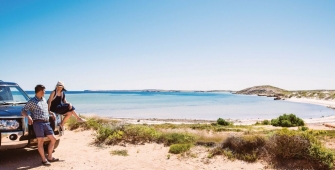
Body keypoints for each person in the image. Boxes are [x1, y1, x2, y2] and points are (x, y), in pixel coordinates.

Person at [21, 84, 59, 166]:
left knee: (53, 139)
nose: (45, 92)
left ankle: (50, 157)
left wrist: (52, 113)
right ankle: (44, 160)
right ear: (41, 91)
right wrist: (28, 116)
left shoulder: (44, 100)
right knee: (40, 141)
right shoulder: (32, 101)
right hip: (38, 123)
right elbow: (23, 111)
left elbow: (46, 111)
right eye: (44, 91)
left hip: (46, 122)